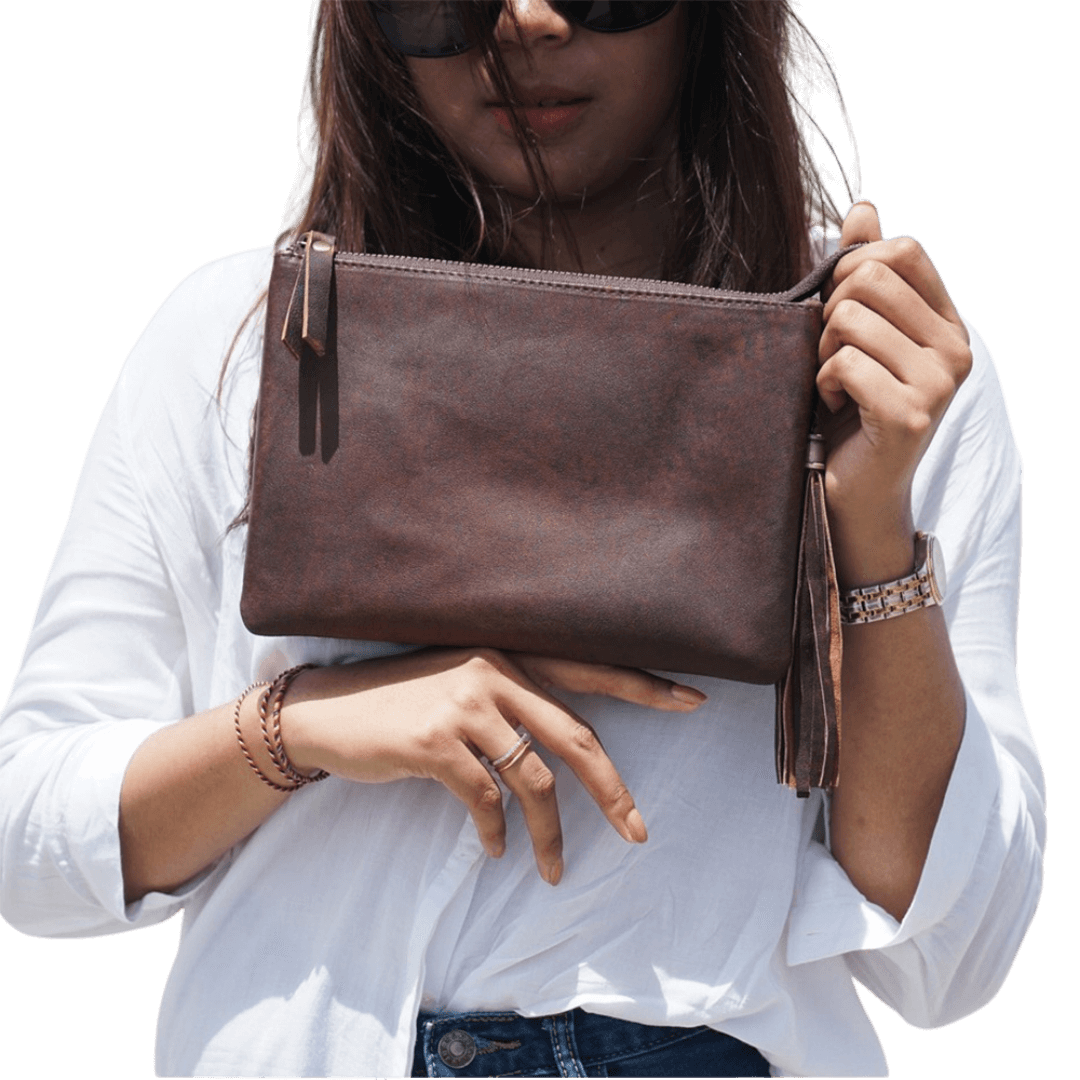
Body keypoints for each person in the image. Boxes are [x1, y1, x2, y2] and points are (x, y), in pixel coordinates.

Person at [0, 3, 1042, 1077]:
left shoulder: (877, 365)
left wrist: (870, 531)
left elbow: (951, 960)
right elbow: (26, 840)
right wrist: (296, 727)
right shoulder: (241, 339)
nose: (532, 21)